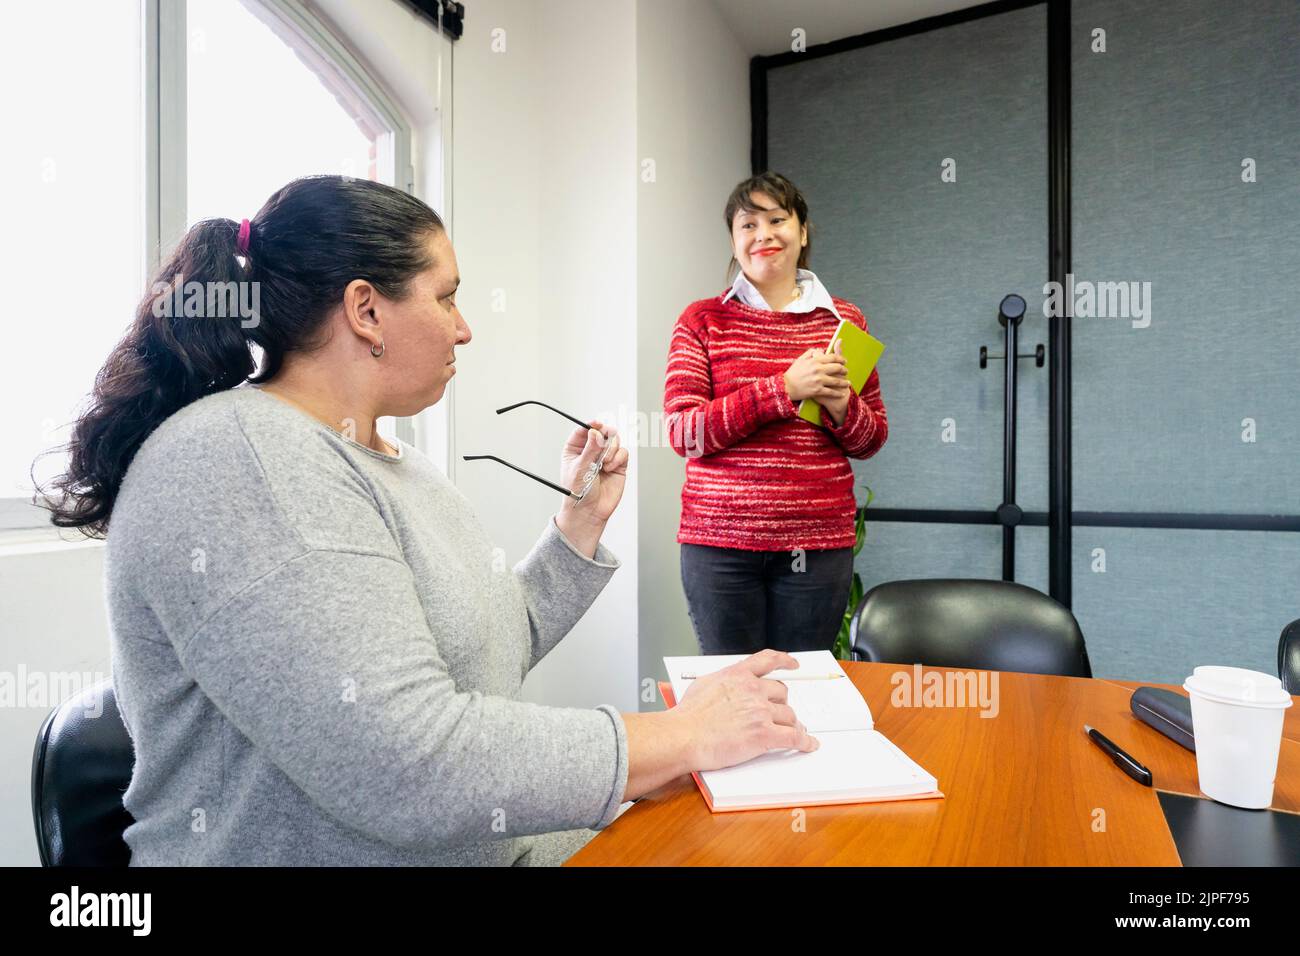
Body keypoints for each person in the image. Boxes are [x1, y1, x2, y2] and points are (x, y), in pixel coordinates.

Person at [40, 174, 819, 866]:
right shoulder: (240, 460)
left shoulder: (390, 459)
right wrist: (676, 737)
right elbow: (404, 763)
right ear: (366, 310)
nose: (465, 326)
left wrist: (579, 525)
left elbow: (485, 650)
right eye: (446, 296)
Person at [664, 171, 889, 655]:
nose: (763, 234)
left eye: (777, 220)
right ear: (734, 239)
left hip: (816, 544)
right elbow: (685, 433)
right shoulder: (702, 320)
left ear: (802, 232)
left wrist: (840, 405)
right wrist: (782, 389)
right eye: (748, 224)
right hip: (718, 544)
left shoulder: (844, 321)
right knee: (733, 694)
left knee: (802, 689)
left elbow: (871, 439)